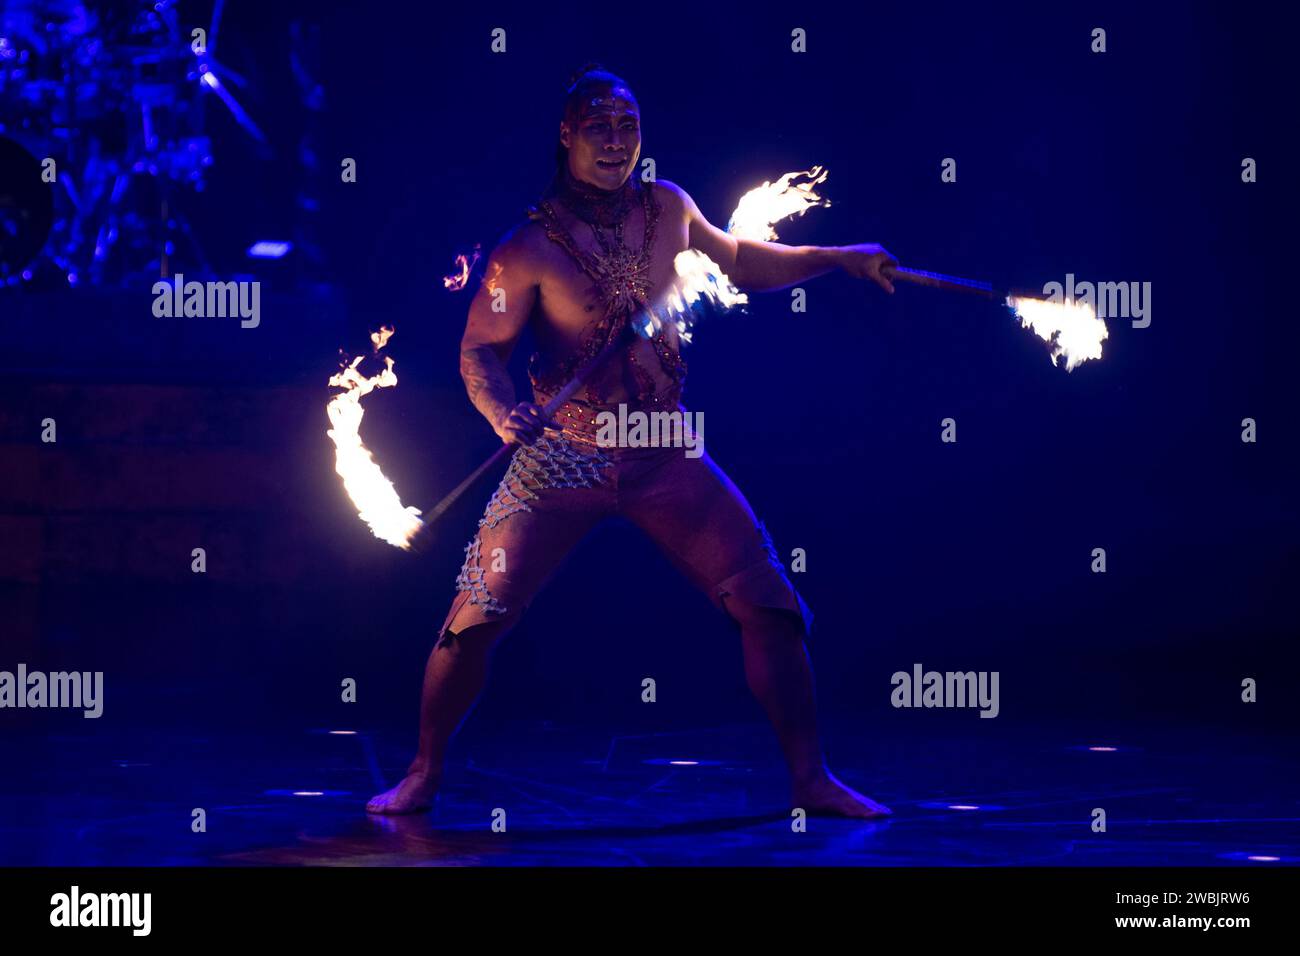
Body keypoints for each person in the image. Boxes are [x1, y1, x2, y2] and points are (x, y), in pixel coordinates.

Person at [367, 65, 897, 818]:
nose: (615, 143)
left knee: (771, 605)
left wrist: (838, 259)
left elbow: (741, 262)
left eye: (628, 126)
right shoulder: (526, 249)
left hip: (661, 447)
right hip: (562, 455)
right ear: (567, 135)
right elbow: (479, 350)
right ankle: (422, 773)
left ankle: (811, 780)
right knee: (472, 623)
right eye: (598, 128)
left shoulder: (671, 208)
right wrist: (502, 412)